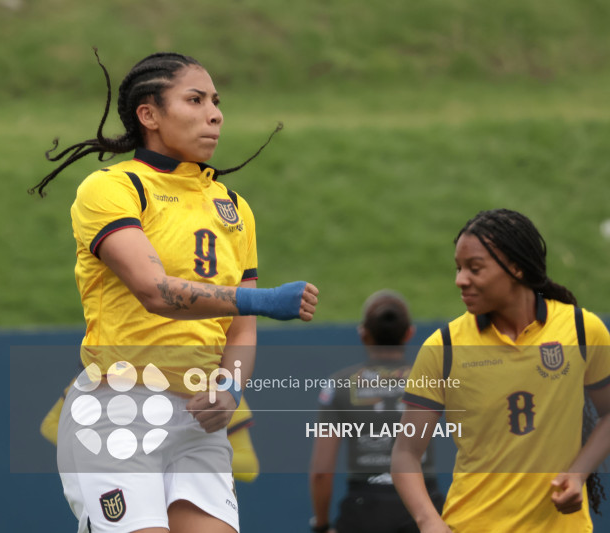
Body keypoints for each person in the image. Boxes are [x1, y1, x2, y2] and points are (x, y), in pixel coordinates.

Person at [29, 49, 318, 533]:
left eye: (217, 101)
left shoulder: (233, 207)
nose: (215, 113)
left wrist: (229, 388)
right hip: (118, 410)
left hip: (198, 424)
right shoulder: (113, 188)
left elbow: (239, 332)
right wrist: (264, 299)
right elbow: (155, 291)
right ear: (149, 114)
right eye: (196, 99)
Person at [391, 208, 610, 532]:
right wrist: (428, 522)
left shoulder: (582, 329)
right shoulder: (444, 347)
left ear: (516, 268)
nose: (460, 280)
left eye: (474, 268)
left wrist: (578, 474)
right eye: (459, 268)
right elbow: (406, 452)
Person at [309, 290, 443, 533]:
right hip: (425, 507)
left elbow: (321, 472)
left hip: (363, 512)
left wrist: (321, 524)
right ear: (409, 333)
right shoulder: (430, 380)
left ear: (363, 334)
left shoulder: (339, 384)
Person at [40, 383, 261, 482]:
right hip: (115, 498)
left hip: (187, 506)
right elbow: (51, 424)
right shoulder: (103, 370)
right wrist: (105, 455)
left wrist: (176, 456)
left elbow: (249, 468)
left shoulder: (217, 387)